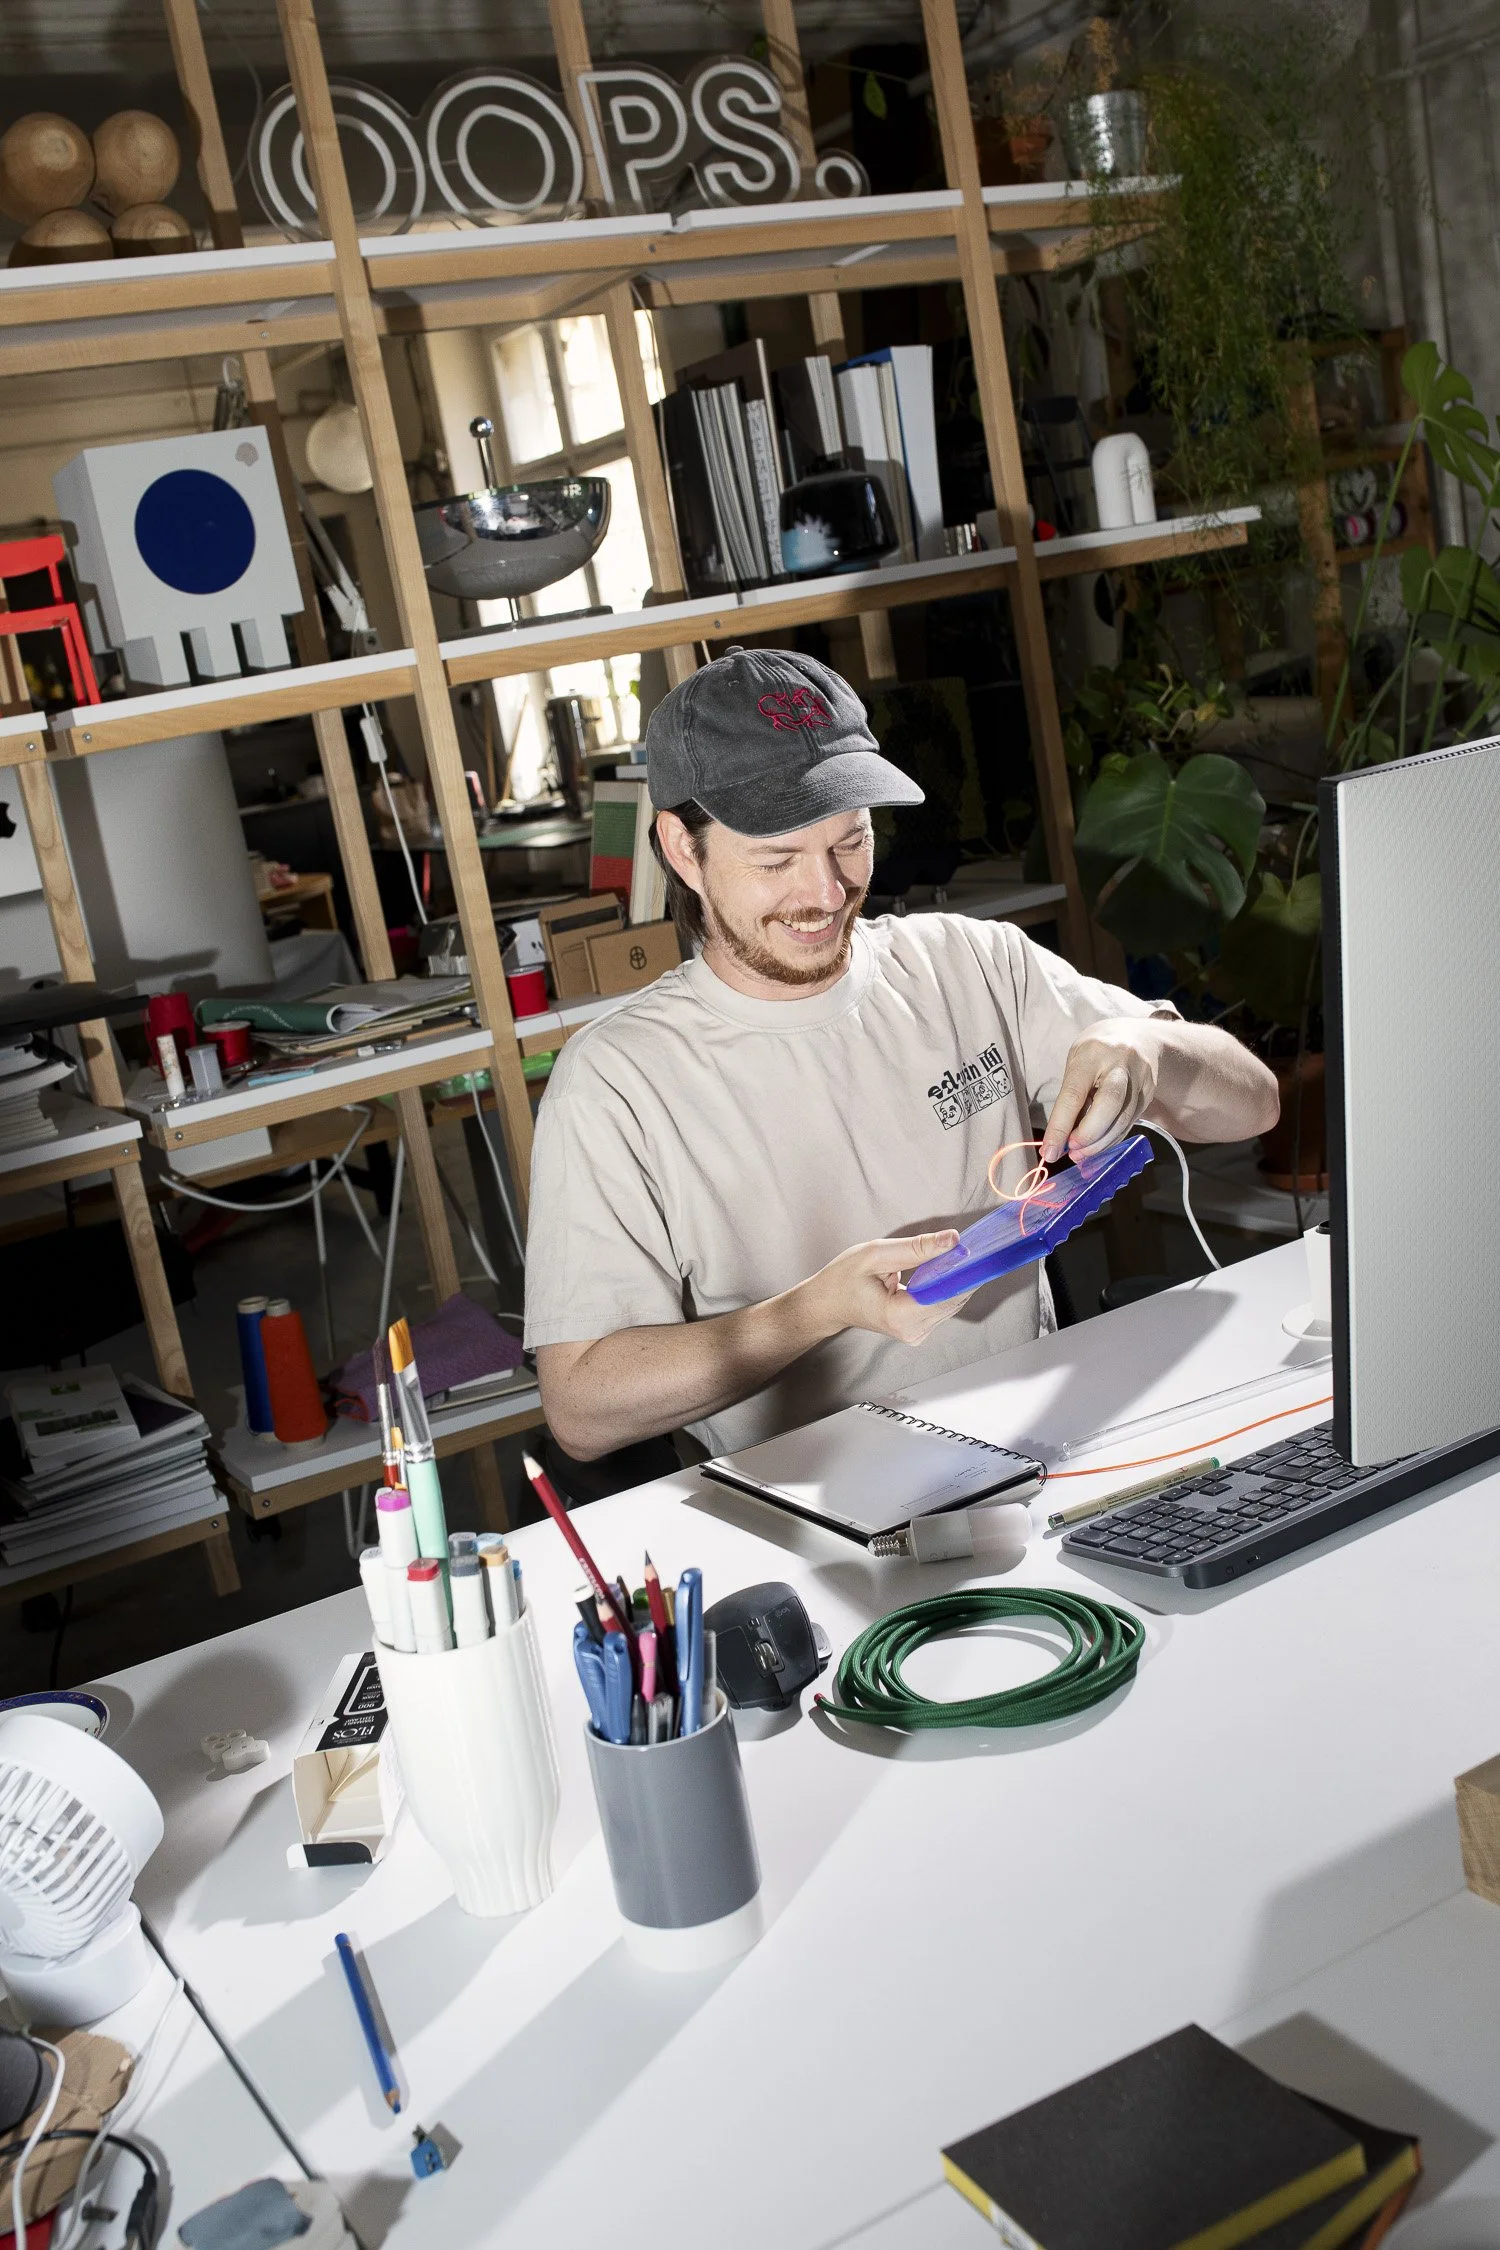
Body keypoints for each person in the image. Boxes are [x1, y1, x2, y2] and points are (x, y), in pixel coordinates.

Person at [525, 647, 1277, 1465]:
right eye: (776, 860)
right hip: (809, 1509)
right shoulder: (618, 1082)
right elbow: (582, 1405)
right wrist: (812, 1312)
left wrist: (1150, 1045)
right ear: (681, 848)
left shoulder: (970, 963)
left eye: (850, 842)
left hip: (1045, 1451)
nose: (824, 893)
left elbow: (1257, 1104)